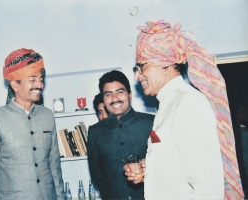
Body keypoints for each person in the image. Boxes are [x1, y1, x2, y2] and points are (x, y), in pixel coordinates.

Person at [124, 20, 244, 199]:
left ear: (164, 64)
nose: (136, 75)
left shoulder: (188, 105)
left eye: (141, 67)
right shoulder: (170, 103)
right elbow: (178, 165)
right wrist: (148, 168)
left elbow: (208, 190)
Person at [0, 48, 65, 199]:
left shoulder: (47, 116)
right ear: (15, 84)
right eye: (32, 79)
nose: (40, 85)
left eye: (41, 79)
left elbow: (55, 168)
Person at [87, 70, 154, 199]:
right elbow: (97, 176)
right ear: (104, 99)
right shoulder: (95, 132)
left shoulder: (151, 123)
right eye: (108, 94)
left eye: (120, 92)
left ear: (130, 95)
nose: (115, 99)